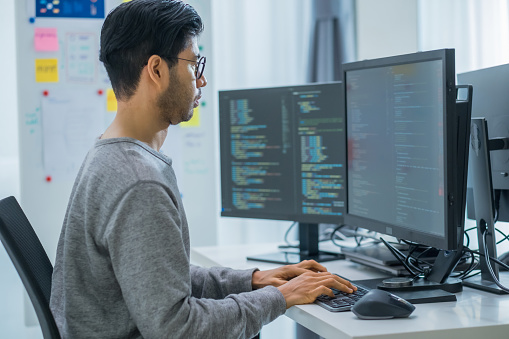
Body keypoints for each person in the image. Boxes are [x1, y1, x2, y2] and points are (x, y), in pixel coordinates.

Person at [49, 0, 356, 338]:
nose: (202, 80)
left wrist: (253, 280)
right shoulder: (140, 183)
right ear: (156, 70)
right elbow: (177, 329)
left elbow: (157, 278)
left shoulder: (108, 155)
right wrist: (279, 298)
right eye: (194, 65)